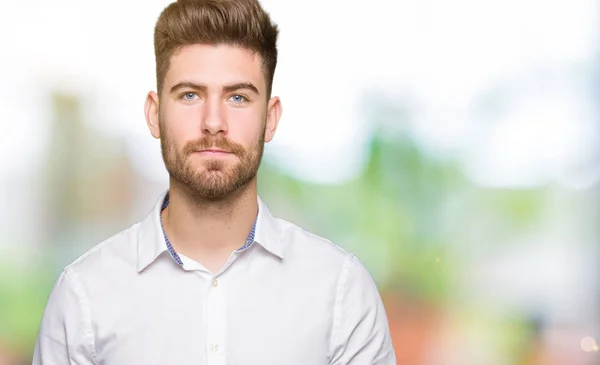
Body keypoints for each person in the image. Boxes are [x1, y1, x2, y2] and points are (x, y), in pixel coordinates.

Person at [32, 0, 396, 364]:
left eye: (238, 97)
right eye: (190, 95)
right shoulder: (84, 297)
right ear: (154, 114)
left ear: (270, 118)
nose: (213, 122)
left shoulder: (341, 293)